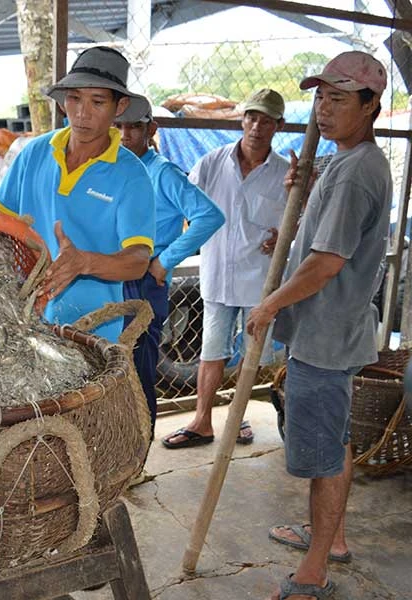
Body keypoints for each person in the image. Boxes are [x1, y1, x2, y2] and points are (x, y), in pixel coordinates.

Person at [246, 51, 391, 600]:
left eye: (337, 98)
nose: (322, 110)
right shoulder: (345, 162)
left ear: (371, 104)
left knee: (323, 453)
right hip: (331, 331)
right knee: (334, 440)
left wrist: (269, 305)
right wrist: (302, 197)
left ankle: (315, 568)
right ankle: (331, 539)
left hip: (326, 336)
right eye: (319, 97)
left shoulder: (356, 172)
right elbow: (321, 244)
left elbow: (327, 263)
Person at [0, 45, 156, 344]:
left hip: (90, 331)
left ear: (119, 108)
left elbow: (138, 260)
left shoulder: (131, 175)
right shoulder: (35, 153)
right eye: (74, 98)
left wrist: (85, 262)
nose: (82, 113)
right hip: (20, 322)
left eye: (97, 102)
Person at [162, 88, 289, 449]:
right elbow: (188, 207)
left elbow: (298, 220)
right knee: (211, 350)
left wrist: (283, 235)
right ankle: (202, 421)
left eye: (266, 121)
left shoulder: (284, 173)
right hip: (218, 274)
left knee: (252, 355)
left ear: (277, 126)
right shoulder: (212, 163)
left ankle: (239, 416)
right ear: (241, 119)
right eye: (251, 117)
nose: (257, 127)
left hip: (259, 279)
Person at [114, 108, 225, 439]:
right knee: (114, 369)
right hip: (113, 276)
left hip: (144, 280)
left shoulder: (162, 172)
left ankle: (137, 454)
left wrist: (166, 260)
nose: (124, 134)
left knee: (138, 371)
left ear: (151, 128)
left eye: (133, 126)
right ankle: (116, 452)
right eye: (117, 126)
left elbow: (208, 215)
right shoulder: (112, 169)